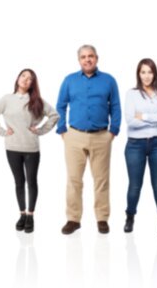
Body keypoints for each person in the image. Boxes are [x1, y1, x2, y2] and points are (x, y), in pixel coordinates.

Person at [56, 44, 121, 235]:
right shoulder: (69, 80)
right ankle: (73, 219)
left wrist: (113, 132)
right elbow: (60, 106)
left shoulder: (109, 81)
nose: (87, 60)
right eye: (83, 57)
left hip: (102, 136)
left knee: (101, 180)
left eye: (90, 56)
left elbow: (115, 107)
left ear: (97, 58)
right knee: (74, 180)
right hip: (74, 136)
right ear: (79, 60)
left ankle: (102, 218)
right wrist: (63, 131)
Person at [0, 68, 59, 233]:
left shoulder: (36, 100)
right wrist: (3, 132)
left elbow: (54, 115)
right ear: (18, 78)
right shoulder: (7, 99)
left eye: (30, 78)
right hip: (12, 147)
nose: (26, 80)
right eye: (24, 76)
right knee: (19, 182)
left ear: (33, 84)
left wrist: (39, 130)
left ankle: (31, 215)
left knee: (31, 181)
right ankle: (22, 214)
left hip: (31, 148)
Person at [123, 58, 157, 233]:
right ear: (138, 74)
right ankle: (129, 217)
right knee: (134, 185)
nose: (146, 76)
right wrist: (155, 117)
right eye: (143, 72)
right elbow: (130, 120)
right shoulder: (132, 94)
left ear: (155, 74)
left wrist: (142, 116)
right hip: (135, 145)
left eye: (149, 72)